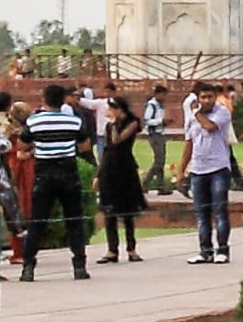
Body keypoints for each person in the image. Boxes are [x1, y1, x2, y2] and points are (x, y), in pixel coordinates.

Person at [20, 82, 91, 279]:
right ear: (64, 100)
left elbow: (22, 145)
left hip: (44, 173)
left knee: (37, 221)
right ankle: (79, 265)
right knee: (74, 220)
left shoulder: (34, 121)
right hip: (68, 172)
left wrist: (39, 147)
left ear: (44, 100)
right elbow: (85, 145)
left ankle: (28, 266)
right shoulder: (73, 121)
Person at [186, 87, 240, 263]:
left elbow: (209, 127)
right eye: (203, 97)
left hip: (218, 168)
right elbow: (189, 143)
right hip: (198, 169)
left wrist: (196, 112)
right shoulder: (192, 117)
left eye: (210, 97)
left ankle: (222, 249)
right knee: (202, 214)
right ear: (198, 98)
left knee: (220, 211)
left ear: (215, 98)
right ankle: (205, 250)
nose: (207, 100)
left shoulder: (221, 112)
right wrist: (181, 170)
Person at [95, 100, 150, 266]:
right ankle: (112, 249)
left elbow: (117, 140)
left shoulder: (132, 123)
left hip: (124, 168)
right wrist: (99, 173)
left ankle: (131, 248)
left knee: (127, 211)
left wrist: (113, 125)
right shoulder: (109, 126)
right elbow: (107, 148)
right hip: (110, 168)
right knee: (109, 210)